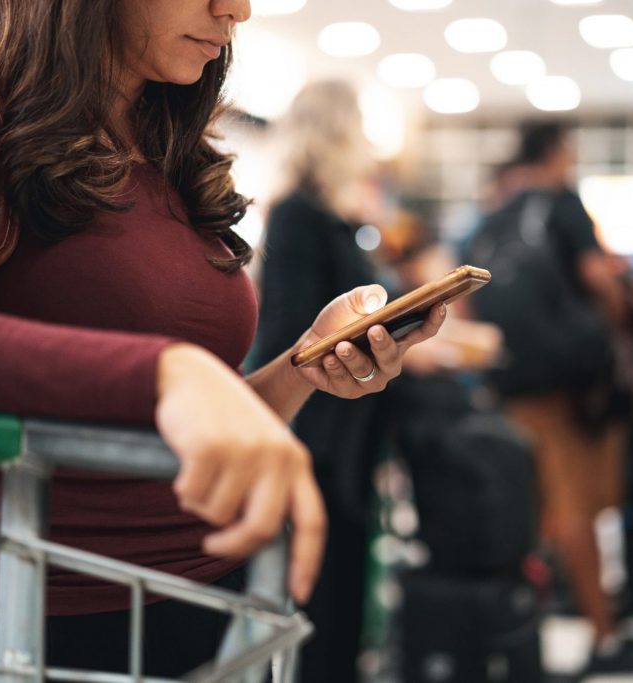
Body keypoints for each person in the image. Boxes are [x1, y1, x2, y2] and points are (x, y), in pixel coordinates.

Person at [0, 1, 444, 678]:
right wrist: (164, 372)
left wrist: (301, 365)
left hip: (215, 603)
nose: (239, 10)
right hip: (32, 617)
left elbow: (167, 419)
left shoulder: (167, 146)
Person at [465, 122, 633, 674]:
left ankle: (531, 618)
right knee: (577, 510)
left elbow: (469, 309)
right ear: (557, 153)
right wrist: (611, 337)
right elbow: (601, 280)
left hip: (514, 383)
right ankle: (604, 635)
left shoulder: (493, 220)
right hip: (571, 384)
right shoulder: (563, 205)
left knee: (541, 507)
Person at [254, 80, 393, 683]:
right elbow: (291, 333)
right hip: (318, 434)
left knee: (340, 596)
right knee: (321, 601)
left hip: (345, 429)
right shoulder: (297, 217)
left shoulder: (331, 218)